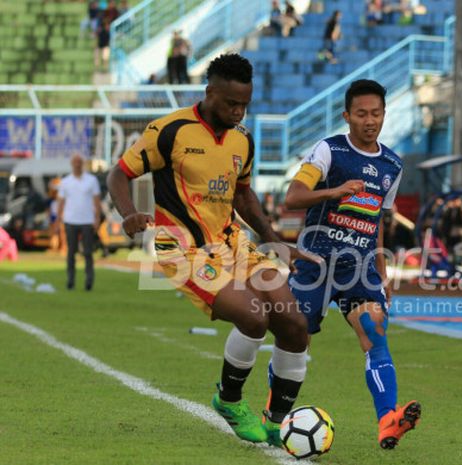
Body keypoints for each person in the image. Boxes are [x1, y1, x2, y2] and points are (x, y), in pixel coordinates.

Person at [106, 53, 317, 447]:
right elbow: (119, 173)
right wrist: (129, 212)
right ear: (211, 93)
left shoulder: (243, 139)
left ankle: (277, 419)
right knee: (254, 317)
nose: (239, 112)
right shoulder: (169, 130)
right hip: (183, 251)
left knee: (294, 324)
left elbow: (243, 195)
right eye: (231, 103)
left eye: (245, 105)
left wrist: (274, 239)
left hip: (232, 243)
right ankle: (229, 400)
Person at [284, 79, 421, 449]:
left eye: (376, 113)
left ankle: (388, 420)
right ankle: (274, 415)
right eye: (361, 113)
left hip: (358, 270)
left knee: (374, 331)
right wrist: (333, 191)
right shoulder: (328, 151)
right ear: (347, 115)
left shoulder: (392, 164)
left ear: (384, 114)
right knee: (296, 342)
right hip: (315, 266)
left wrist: (382, 270)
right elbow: (293, 196)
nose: (369, 120)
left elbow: (376, 222)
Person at [57, 154, 101, 291]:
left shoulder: (91, 180)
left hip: (87, 220)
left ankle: (89, 281)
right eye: (75, 162)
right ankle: (70, 280)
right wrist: (59, 219)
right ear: (71, 164)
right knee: (71, 252)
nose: (77, 164)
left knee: (88, 252)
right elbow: (61, 202)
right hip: (70, 220)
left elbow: (97, 201)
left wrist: (97, 218)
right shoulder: (65, 182)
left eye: (79, 162)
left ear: (83, 164)